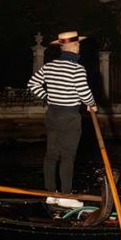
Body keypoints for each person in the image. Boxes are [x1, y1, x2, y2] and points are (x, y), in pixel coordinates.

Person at [27, 30, 97, 208]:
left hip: (52, 114)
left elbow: (32, 84)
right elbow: (83, 92)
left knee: (51, 155)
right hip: (70, 116)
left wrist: (48, 97)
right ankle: (66, 196)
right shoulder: (77, 68)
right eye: (78, 44)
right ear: (73, 46)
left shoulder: (49, 66)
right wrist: (91, 104)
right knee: (68, 157)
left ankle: (50, 194)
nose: (79, 47)